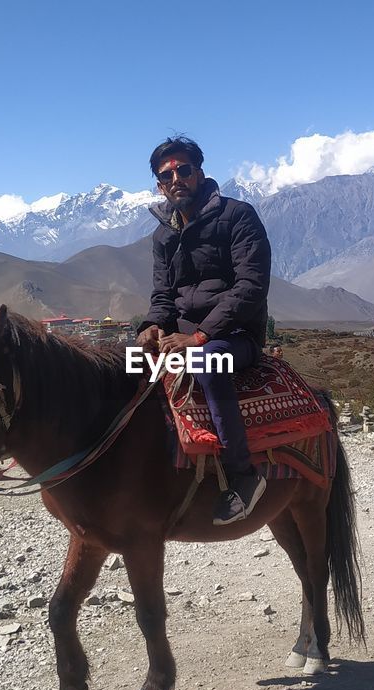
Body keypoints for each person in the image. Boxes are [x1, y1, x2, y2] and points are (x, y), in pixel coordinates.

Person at [134, 136, 272, 525]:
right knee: (125, 366)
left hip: (235, 337)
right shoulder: (163, 235)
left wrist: (200, 336)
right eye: (167, 176)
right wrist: (151, 326)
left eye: (184, 170)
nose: (176, 178)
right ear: (160, 186)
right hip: (180, 337)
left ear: (200, 173)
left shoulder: (238, 216)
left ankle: (244, 475)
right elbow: (162, 295)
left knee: (207, 363)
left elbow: (251, 286)